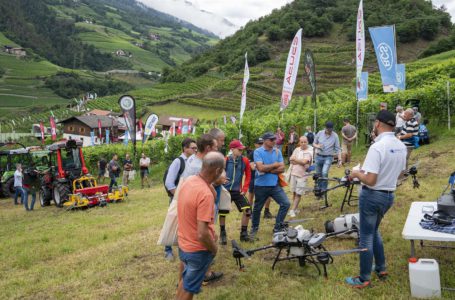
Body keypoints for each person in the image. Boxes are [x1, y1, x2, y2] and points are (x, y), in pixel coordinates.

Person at [345, 110, 406, 288]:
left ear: (378, 124)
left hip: (372, 195)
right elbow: (401, 173)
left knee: (365, 235)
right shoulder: (400, 145)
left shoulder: (377, 146)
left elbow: (370, 180)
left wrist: (356, 173)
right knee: (375, 231)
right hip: (389, 195)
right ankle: (381, 268)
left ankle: (364, 278)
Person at [176, 152, 225, 300]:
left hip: (183, 243)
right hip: (197, 250)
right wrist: (214, 248)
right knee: (188, 289)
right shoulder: (205, 194)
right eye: (222, 170)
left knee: (185, 281)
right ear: (217, 171)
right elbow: (202, 234)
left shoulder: (190, 181)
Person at [251, 132, 290, 237]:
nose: (274, 141)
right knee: (257, 209)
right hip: (261, 185)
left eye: (274, 139)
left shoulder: (277, 151)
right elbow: (260, 168)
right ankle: (254, 229)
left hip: (274, 185)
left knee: (286, 203)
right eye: (271, 140)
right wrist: (275, 165)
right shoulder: (258, 152)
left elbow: (282, 168)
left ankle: (277, 227)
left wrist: (269, 169)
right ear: (264, 141)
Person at [163, 138, 197, 261]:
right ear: (185, 148)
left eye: (196, 148)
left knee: (186, 225)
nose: (195, 150)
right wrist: (178, 196)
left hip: (190, 198)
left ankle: (185, 250)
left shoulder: (194, 161)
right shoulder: (178, 162)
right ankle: (167, 250)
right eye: (193, 148)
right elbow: (169, 182)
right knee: (172, 223)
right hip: (177, 198)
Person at [221, 140, 252, 242]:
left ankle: (243, 234)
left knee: (248, 210)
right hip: (225, 191)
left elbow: (248, 175)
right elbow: (219, 173)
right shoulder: (225, 160)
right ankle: (222, 233)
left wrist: (245, 189)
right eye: (239, 149)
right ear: (232, 149)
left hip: (238, 191)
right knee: (223, 212)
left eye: (242, 149)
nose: (241, 151)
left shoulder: (245, 160)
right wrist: (222, 180)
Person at [247, 138, 274, 219]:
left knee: (268, 194)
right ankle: (250, 211)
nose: (260, 145)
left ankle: (266, 211)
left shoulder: (267, 152)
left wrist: (264, 167)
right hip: (254, 177)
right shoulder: (252, 153)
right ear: (255, 144)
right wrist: (263, 167)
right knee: (251, 195)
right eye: (259, 143)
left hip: (266, 177)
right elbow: (252, 167)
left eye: (262, 143)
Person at [313, 121, 342, 191]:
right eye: (328, 130)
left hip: (328, 157)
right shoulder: (320, 133)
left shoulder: (335, 136)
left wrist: (340, 160)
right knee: (318, 174)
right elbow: (314, 143)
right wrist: (317, 146)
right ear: (325, 128)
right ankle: (319, 190)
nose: (329, 131)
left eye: (331, 130)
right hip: (318, 156)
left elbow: (338, 149)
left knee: (324, 172)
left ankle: (324, 190)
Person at [288, 136, 313, 218]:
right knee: (294, 192)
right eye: (301, 142)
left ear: (307, 142)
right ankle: (295, 208)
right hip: (294, 173)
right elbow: (291, 160)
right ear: (299, 142)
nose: (303, 144)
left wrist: (296, 160)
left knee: (299, 193)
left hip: (302, 175)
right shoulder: (296, 149)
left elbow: (304, 162)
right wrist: (299, 161)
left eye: (305, 142)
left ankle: (292, 210)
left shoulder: (309, 151)